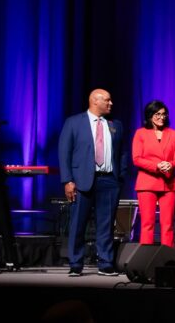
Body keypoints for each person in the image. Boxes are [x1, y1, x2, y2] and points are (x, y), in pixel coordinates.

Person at [58, 89, 126, 277]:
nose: (111, 103)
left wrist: (120, 176)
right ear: (95, 101)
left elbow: (122, 152)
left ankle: (105, 263)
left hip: (109, 181)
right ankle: (76, 263)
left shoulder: (115, 124)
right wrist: (68, 180)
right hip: (82, 181)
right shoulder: (74, 122)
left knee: (106, 225)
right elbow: (65, 153)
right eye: (107, 100)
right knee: (78, 223)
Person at [131, 100, 175, 248]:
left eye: (164, 114)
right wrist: (157, 166)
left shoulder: (172, 134)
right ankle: (146, 260)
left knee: (168, 224)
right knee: (147, 223)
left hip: (168, 183)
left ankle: (168, 260)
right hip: (147, 182)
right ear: (149, 116)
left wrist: (170, 164)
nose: (162, 117)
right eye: (157, 114)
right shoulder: (141, 133)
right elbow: (137, 159)